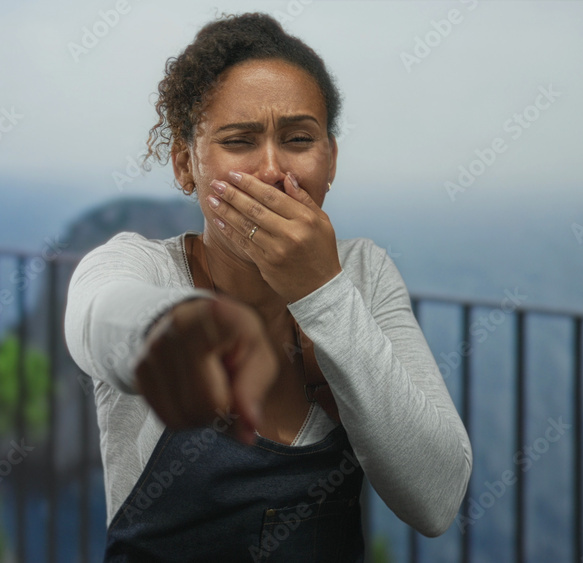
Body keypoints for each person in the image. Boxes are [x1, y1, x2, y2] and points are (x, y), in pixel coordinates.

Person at [65, 12, 472, 561]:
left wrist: (322, 291)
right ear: (185, 165)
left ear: (330, 160)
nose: (273, 170)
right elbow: (96, 314)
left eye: (299, 139)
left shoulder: (363, 275)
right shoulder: (143, 267)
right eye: (239, 141)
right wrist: (169, 328)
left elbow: (437, 500)